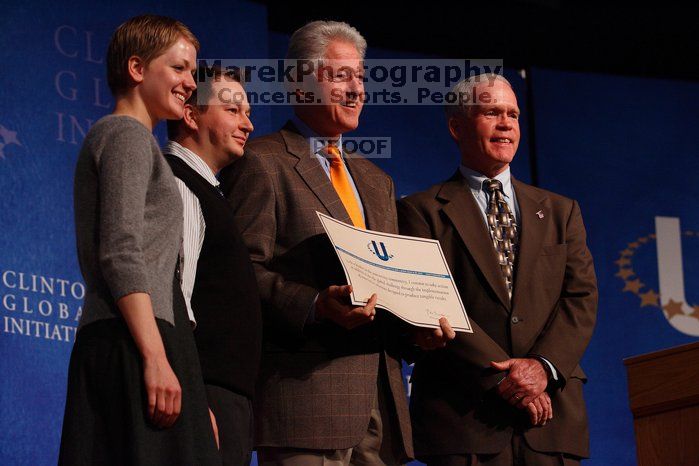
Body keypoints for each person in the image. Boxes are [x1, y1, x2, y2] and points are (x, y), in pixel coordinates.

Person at [220, 20, 453, 466]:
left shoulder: (376, 180)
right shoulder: (262, 162)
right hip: (305, 405)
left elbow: (388, 281)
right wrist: (314, 305)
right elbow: (241, 274)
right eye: (340, 76)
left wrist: (417, 328)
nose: (356, 90)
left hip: (379, 412)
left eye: (361, 77)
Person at [397, 74, 598, 466]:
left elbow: (581, 297)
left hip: (550, 421)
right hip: (464, 417)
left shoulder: (560, 211)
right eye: (492, 112)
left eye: (513, 114)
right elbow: (433, 302)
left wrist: (543, 367)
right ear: (457, 127)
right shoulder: (419, 211)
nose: (506, 123)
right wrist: (508, 379)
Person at [59, 15, 220, 466]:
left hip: (149, 339)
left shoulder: (137, 141)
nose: (191, 82)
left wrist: (186, 377)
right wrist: (155, 357)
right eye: (179, 68)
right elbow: (120, 249)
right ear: (136, 68)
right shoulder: (125, 134)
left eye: (192, 71)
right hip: (131, 342)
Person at [164, 66, 261, 465]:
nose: (249, 124)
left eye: (248, 113)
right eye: (234, 110)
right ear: (191, 115)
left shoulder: (211, 192)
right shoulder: (180, 183)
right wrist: (193, 395)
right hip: (202, 394)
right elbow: (174, 301)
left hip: (224, 397)